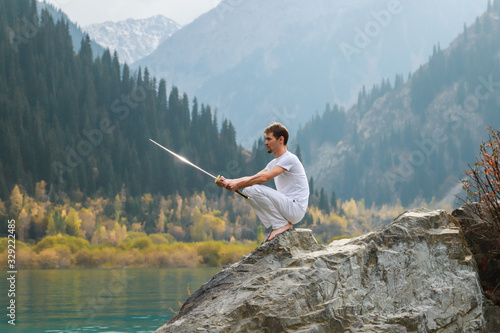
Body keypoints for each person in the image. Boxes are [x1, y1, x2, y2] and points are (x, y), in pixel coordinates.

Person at [216, 122, 309, 242]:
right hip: (287, 208)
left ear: (281, 139)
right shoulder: (274, 163)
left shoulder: (289, 158)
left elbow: (264, 178)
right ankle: (279, 223)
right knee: (248, 190)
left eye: (269, 139)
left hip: (295, 208)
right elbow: (254, 177)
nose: (265, 143)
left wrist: (237, 185)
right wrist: (228, 181)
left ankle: (280, 224)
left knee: (254, 189)